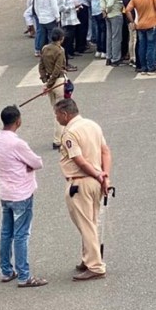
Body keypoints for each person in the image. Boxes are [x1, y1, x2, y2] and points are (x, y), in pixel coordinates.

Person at [55, 98, 111, 281]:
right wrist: (104, 176)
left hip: (80, 182)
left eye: (57, 115)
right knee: (91, 221)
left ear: (65, 114)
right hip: (95, 182)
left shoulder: (70, 133)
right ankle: (88, 258)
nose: (56, 118)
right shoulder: (93, 125)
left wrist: (96, 175)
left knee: (85, 224)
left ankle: (95, 265)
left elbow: (79, 160)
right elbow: (105, 151)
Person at [0, 105, 47, 288]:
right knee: (21, 234)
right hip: (21, 194)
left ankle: (7, 270)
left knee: (6, 233)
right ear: (18, 121)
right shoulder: (17, 143)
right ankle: (24, 275)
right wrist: (27, 166)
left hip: (5, 193)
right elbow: (37, 162)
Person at [40, 27, 69, 149]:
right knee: (61, 113)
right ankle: (58, 139)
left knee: (55, 111)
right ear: (61, 39)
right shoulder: (60, 50)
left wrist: (46, 82)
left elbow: (41, 66)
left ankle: (61, 136)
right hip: (58, 82)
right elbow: (57, 69)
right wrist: (51, 83)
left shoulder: (45, 49)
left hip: (49, 83)